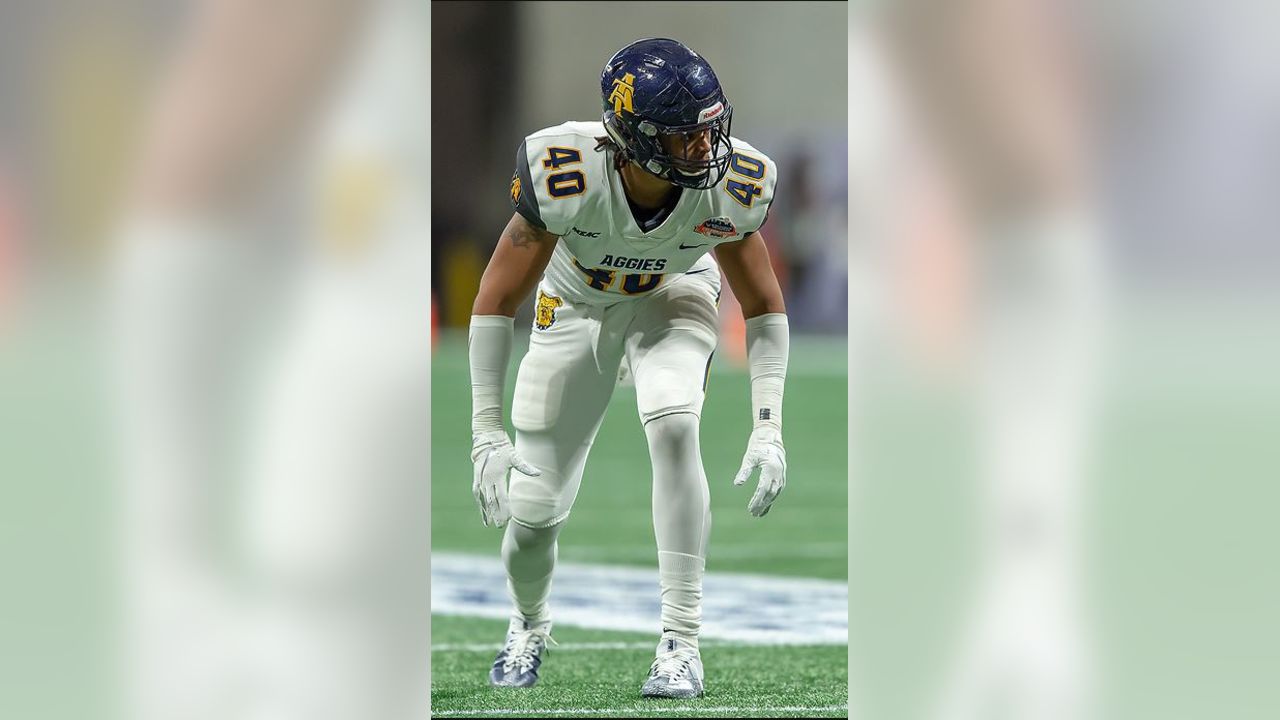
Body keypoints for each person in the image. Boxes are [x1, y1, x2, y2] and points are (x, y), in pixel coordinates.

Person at [468, 37, 790, 699]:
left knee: (674, 421)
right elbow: (497, 298)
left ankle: (681, 641)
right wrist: (484, 428)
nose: (708, 150)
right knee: (532, 519)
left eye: (710, 132)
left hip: (674, 292)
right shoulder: (567, 171)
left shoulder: (730, 186)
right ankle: (528, 622)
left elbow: (761, 304)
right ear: (635, 140)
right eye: (686, 139)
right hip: (577, 302)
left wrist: (768, 422)